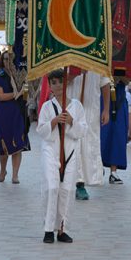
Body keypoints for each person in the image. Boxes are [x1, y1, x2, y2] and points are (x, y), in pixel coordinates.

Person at [36, 69, 87, 244]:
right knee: (52, 187)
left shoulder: (76, 106)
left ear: (66, 83)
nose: (57, 86)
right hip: (51, 150)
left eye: (60, 82)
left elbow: (83, 130)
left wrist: (72, 121)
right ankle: (48, 228)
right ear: (49, 86)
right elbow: (41, 131)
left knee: (67, 190)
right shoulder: (46, 107)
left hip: (70, 152)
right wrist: (54, 121)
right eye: (53, 83)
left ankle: (63, 229)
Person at [66, 70, 110, 200]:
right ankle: (71, 181)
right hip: (70, 107)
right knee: (71, 144)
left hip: (91, 108)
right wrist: (75, 72)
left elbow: (105, 83)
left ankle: (81, 182)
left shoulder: (98, 55)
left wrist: (106, 109)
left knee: (88, 143)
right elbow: (59, 81)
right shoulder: (68, 53)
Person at [0, 51, 30, 184]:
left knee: (18, 143)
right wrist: (16, 94)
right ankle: (3, 171)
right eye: (6, 59)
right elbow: (1, 97)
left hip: (18, 113)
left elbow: (26, 96)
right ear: (3, 61)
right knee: (3, 145)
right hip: (3, 114)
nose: (8, 62)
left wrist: (25, 93)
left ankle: (15, 175)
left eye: (11, 60)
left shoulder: (21, 76)